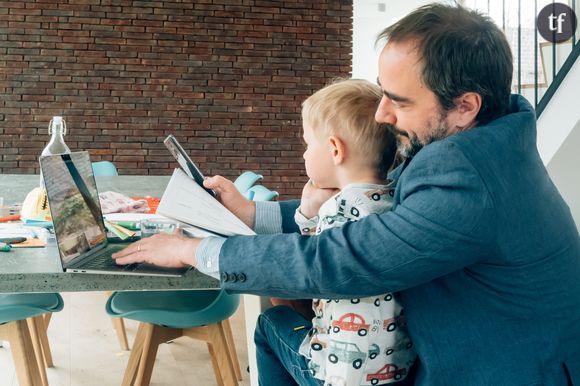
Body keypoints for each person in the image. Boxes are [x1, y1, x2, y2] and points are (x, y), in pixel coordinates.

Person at [112, 3, 580, 385]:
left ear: (464, 106)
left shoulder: (467, 178)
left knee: (277, 321)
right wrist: (257, 213)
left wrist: (196, 250)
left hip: (500, 371)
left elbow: (343, 260)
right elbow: (387, 217)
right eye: (383, 93)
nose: (381, 115)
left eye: (399, 100)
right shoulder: (488, 135)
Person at [273, 78, 416, 385]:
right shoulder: (397, 203)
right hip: (396, 373)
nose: (304, 155)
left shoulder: (339, 209)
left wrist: (308, 212)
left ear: (335, 149)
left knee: (271, 323)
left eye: (308, 144)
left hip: (337, 375)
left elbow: (311, 266)